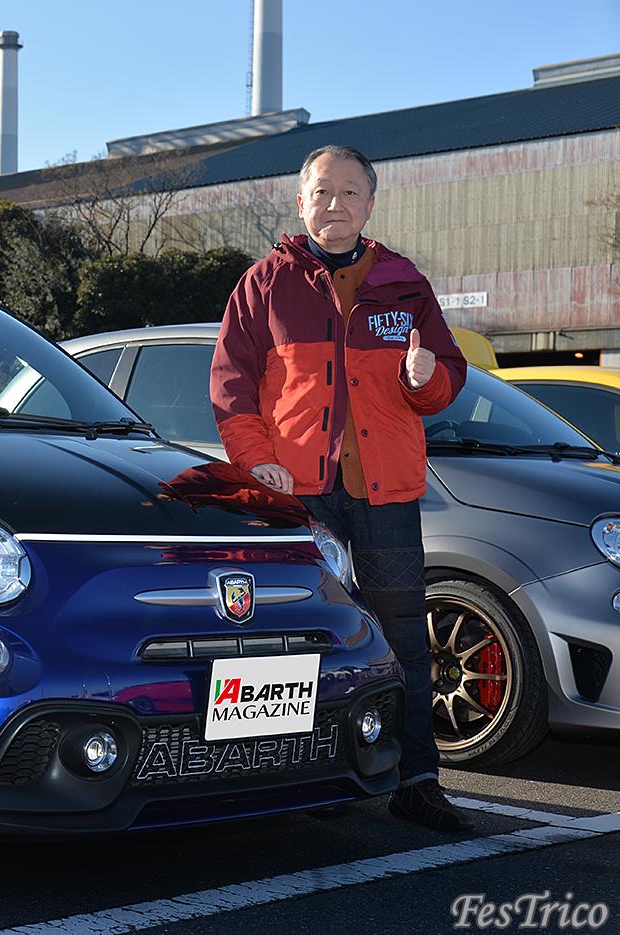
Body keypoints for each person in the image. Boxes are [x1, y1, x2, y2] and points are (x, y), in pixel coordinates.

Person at [210, 144, 471, 831]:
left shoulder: (405, 283)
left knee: (403, 638)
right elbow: (232, 388)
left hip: (386, 491)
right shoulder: (264, 284)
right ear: (301, 202)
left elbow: (447, 375)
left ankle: (417, 780)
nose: (336, 204)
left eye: (350, 192)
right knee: (295, 640)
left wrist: (425, 380)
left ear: (370, 204)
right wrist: (257, 461)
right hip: (298, 492)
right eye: (323, 192)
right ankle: (305, 777)